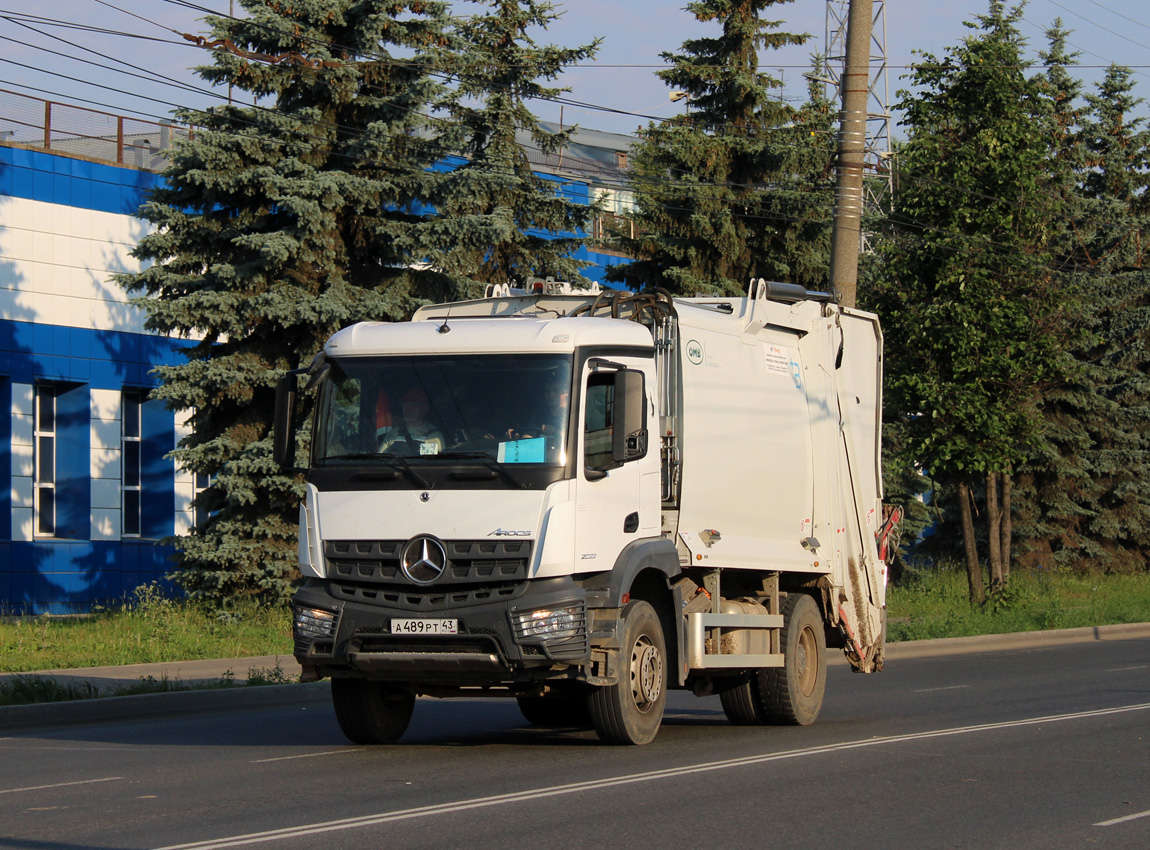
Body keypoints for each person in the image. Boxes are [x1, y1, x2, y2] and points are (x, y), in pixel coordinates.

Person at [377, 388, 444, 455]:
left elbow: (436, 464)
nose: (408, 409)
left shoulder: (434, 436)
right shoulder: (393, 433)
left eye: (413, 405)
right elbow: (380, 459)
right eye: (406, 405)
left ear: (425, 408)